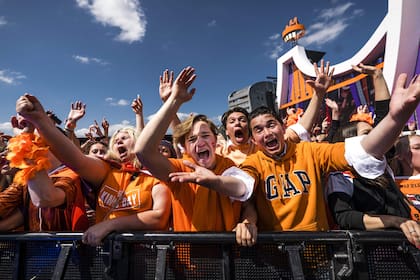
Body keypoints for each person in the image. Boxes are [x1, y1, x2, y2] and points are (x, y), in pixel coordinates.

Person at [238, 69, 420, 247]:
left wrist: (397, 118)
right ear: (253, 140)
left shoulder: (311, 151)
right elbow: (241, 188)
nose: (267, 132)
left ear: (283, 128)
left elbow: (364, 150)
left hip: (320, 256)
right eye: (259, 130)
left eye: (271, 125)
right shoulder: (253, 163)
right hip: (275, 257)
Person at [15, 94, 171, 246]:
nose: (118, 142)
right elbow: (76, 160)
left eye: (124, 138)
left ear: (138, 141)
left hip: (145, 256)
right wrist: (39, 121)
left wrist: (109, 225)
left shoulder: (154, 175)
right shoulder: (108, 170)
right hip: (103, 254)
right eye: (115, 141)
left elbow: (159, 217)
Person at [136, 66, 254, 232]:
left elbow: (243, 191)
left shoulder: (230, 167)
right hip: (187, 256)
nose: (199, 143)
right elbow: (143, 151)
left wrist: (216, 182)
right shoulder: (180, 170)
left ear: (216, 140)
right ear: (185, 147)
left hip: (229, 256)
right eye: (192, 139)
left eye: (205, 135)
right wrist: (174, 100)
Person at [218, 60, 334, 165]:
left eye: (242, 120)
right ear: (227, 131)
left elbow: (302, 128)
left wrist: (318, 95)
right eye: (232, 121)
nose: (238, 123)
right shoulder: (219, 153)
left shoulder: (262, 144)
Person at [0, 114, 89, 232]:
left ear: (56, 145)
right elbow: (3, 204)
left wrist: (24, 138)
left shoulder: (72, 174)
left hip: (65, 247)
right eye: (32, 141)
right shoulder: (27, 178)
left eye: (35, 141)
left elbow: (46, 198)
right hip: (33, 248)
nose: (31, 146)